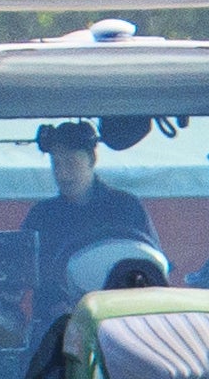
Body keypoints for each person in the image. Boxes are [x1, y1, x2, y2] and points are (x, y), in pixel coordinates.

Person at [19, 120, 159, 322]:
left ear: (92, 159)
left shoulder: (127, 208)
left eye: (71, 163)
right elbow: (23, 273)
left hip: (121, 321)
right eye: (56, 164)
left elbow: (150, 268)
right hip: (56, 331)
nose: (62, 174)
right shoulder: (41, 216)